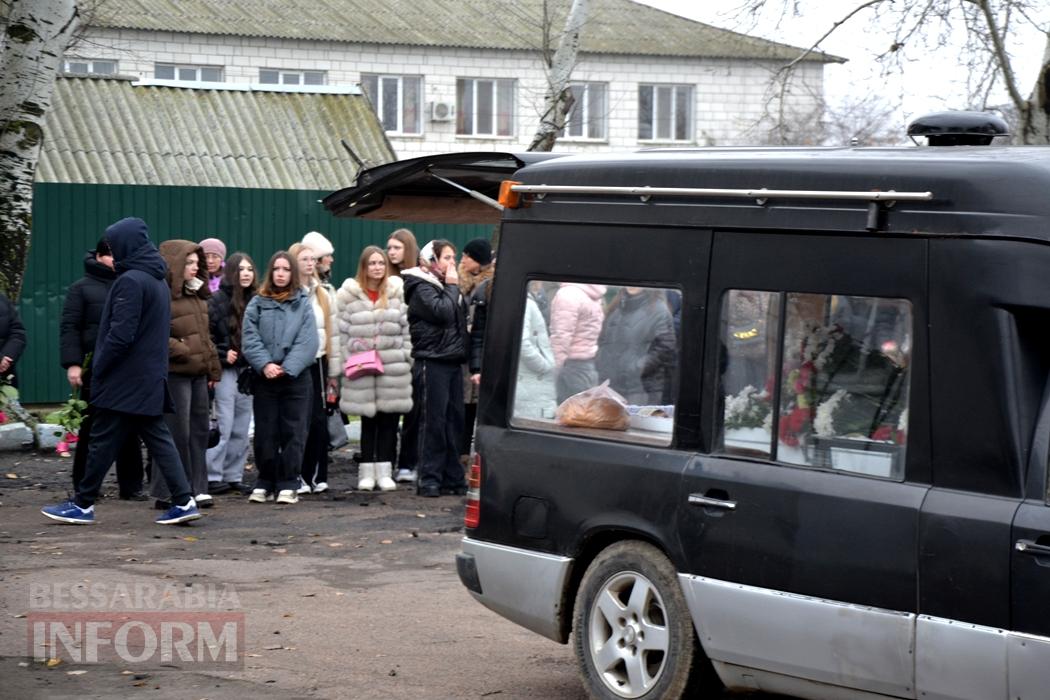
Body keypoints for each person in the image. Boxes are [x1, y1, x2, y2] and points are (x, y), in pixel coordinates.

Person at [42, 217, 201, 526]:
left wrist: (99, 366)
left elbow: (121, 334)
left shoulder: (130, 281)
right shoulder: (155, 280)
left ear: (127, 246)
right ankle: (183, 500)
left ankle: (83, 504)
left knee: (103, 438)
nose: (113, 255)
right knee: (157, 439)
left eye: (115, 247)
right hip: (148, 377)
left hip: (125, 378)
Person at [60, 237, 144, 499]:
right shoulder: (81, 288)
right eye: (111, 255)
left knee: (129, 426)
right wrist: (73, 364)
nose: (115, 260)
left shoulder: (129, 284)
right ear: (99, 256)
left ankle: (131, 486)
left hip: (125, 367)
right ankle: (85, 486)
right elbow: (70, 327)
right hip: (94, 367)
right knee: (92, 427)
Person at [241, 251, 318, 505]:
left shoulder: (303, 302)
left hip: (295, 379)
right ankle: (265, 480)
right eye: (277, 269)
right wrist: (265, 365)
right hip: (266, 378)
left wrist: (288, 367)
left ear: (292, 274)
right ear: (271, 272)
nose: (281, 273)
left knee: (293, 431)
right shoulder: (257, 302)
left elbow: (308, 341)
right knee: (265, 432)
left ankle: (289, 482)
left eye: (286, 269)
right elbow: (250, 338)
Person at [151, 240, 222, 511]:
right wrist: (183, 350)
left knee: (198, 431)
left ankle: (198, 488)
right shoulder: (162, 294)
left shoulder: (198, 295)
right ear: (175, 264)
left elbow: (206, 336)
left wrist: (212, 366)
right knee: (176, 431)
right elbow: (157, 335)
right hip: (175, 373)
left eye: (197, 263)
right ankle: (168, 490)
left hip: (198, 374)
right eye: (189, 262)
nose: (195, 267)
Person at [336, 246, 413, 491]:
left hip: (392, 366)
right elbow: (341, 331)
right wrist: (350, 359)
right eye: (372, 263)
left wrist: (404, 356)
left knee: (389, 421)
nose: (377, 267)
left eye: (381, 263)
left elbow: (407, 329)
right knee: (368, 420)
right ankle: (367, 471)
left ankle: (385, 470)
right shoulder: (348, 295)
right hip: (361, 367)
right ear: (364, 266)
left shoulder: (396, 292)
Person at [402, 240, 468, 497]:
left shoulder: (446, 287)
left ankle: (451, 477)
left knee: (453, 421)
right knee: (433, 422)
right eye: (447, 258)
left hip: (452, 360)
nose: (452, 263)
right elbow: (443, 312)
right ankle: (429, 477)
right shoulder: (420, 286)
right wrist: (452, 286)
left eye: (454, 257)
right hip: (432, 360)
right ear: (431, 260)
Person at [288, 243, 340, 494]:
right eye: (304, 259)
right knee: (298, 420)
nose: (310, 263)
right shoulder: (288, 291)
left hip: (319, 361)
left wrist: (334, 371)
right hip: (296, 363)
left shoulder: (322, 292)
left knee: (319, 420)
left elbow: (333, 332)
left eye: (312, 259)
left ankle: (316, 474)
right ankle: (296, 474)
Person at [205, 252, 257, 494]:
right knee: (223, 424)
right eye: (241, 269)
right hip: (226, 371)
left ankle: (233, 475)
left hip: (248, 371)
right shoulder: (215, 300)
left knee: (242, 426)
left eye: (250, 269)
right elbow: (207, 338)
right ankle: (213, 475)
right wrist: (223, 355)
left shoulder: (257, 300)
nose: (246, 273)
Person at [595, 287, 677, 405]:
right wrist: (601, 364)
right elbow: (603, 340)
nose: (632, 286)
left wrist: (636, 369)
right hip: (611, 385)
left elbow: (665, 348)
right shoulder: (616, 307)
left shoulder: (659, 310)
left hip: (641, 388)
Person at [387, 228, 421, 482]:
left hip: (413, 352)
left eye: (397, 248)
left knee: (413, 411)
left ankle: (408, 463)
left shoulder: (418, 278)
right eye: (389, 248)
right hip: (389, 355)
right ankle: (385, 462)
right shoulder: (384, 278)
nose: (391, 253)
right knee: (388, 412)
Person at [458, 237, 494, 461]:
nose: (462, 260)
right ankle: (462, 453)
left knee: (481, 405)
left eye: (467, 256)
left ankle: (480, 456)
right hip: (464, 354)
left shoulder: (490, 287)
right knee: (464, 406)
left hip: (482, 353)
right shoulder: (459, 283)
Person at [549, 283, 606, 403]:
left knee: (568, 414)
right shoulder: (594, 296)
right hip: (588, 365)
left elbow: (561, 335)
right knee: (583, 413)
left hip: (570, 366)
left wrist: (556, 368)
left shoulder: (568, 295)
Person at [513, 282, 557, 419]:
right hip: (532, 380)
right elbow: (522, 340)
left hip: (530, 381)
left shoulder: (528, 301)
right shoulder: (527, 303)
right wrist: (544, 366)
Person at [0, 292, 26, 385]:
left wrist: (7, 357)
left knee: (9, 398)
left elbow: (18, 332)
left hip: (5, 376)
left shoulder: (2, 300)